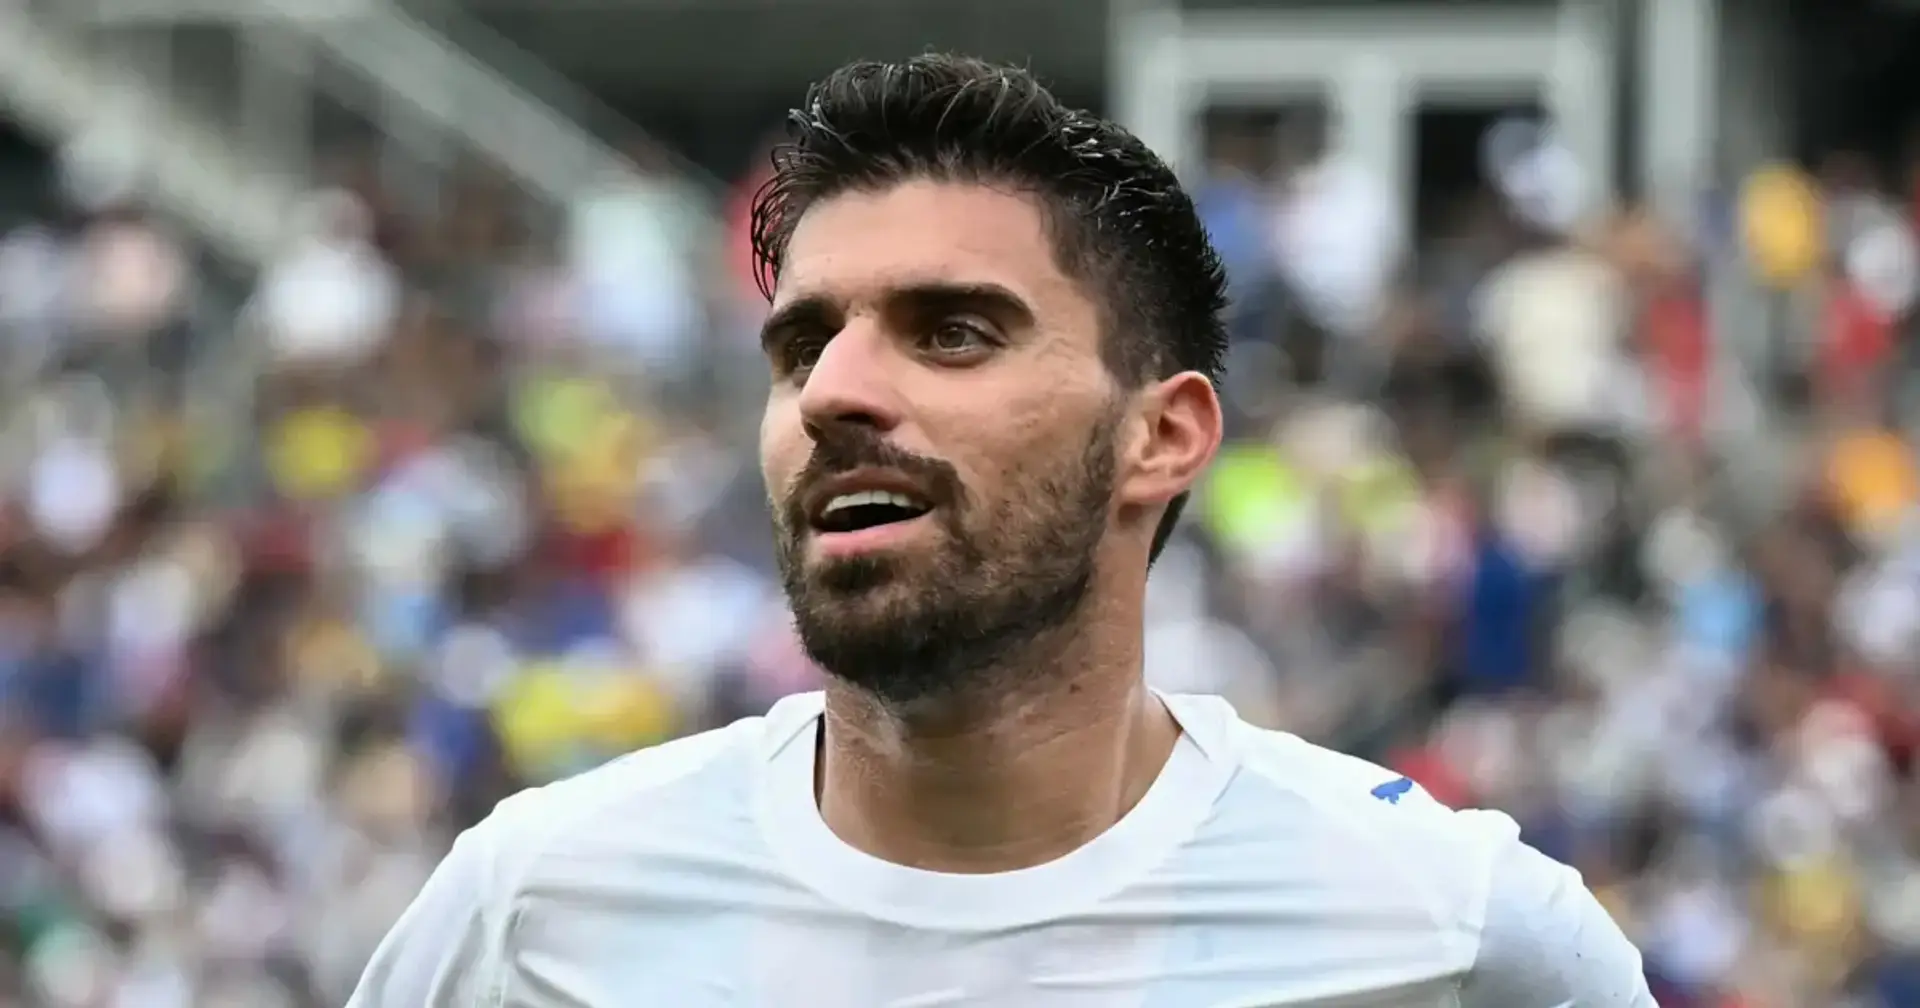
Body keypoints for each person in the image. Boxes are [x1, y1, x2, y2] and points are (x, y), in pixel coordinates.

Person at [346, 55, 1657, 1007]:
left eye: (954, 333)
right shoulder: (533, 910)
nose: (836, 392)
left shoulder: (1456, 930)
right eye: (802, 346)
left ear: (1162, 436)